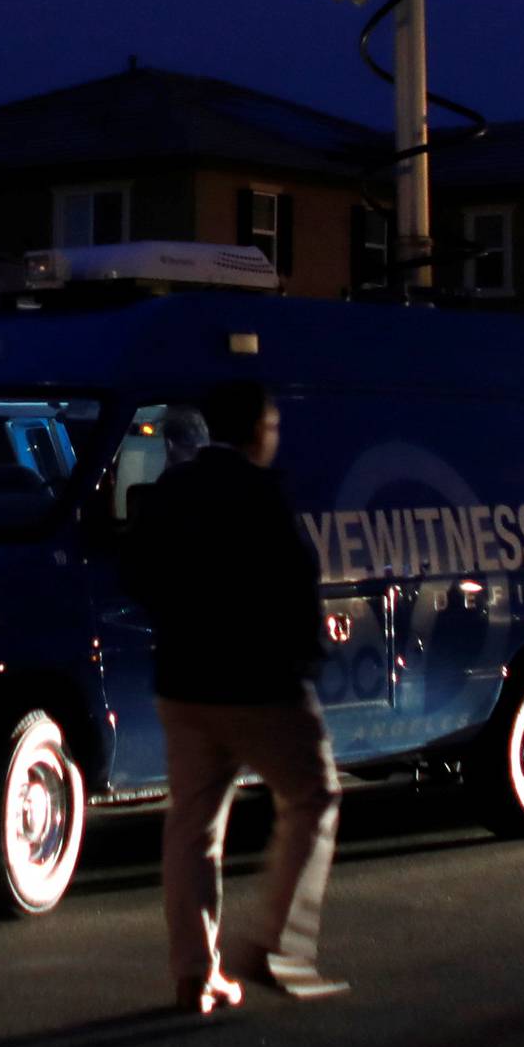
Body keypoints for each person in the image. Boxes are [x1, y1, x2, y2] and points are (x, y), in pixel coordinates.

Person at [125, 378, 345, 1012]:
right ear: (257, 430)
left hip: (183, 683)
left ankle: (196, 973)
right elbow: (295, 580)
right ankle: (275, 941)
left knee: (193, 827)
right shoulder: (261, 493)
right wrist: (306, 654)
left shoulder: (173, 489)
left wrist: (179, 619)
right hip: (259, 684)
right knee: (314, 796)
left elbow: (136, 570)